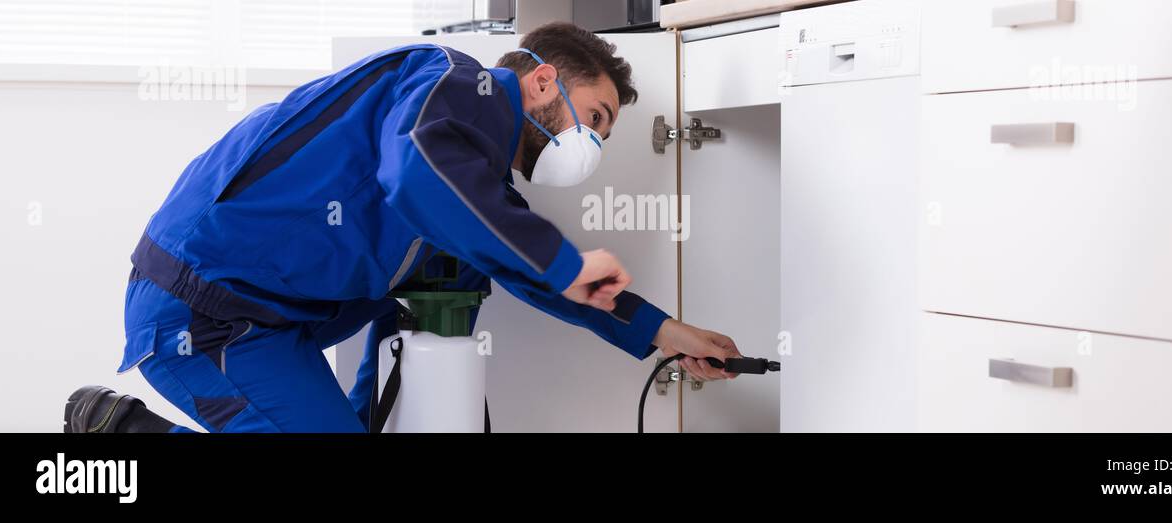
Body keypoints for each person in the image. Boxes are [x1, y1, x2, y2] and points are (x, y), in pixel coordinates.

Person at [63, 23, 741, 433]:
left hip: (268, 324)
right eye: (594, 117)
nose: (594, 144)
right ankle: (125, 430)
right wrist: (563, 262)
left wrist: (665, 333)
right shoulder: (449, 81)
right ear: (539, 85)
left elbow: (530, 277)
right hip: (198, 313)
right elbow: (416, 167)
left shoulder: (475, 197)